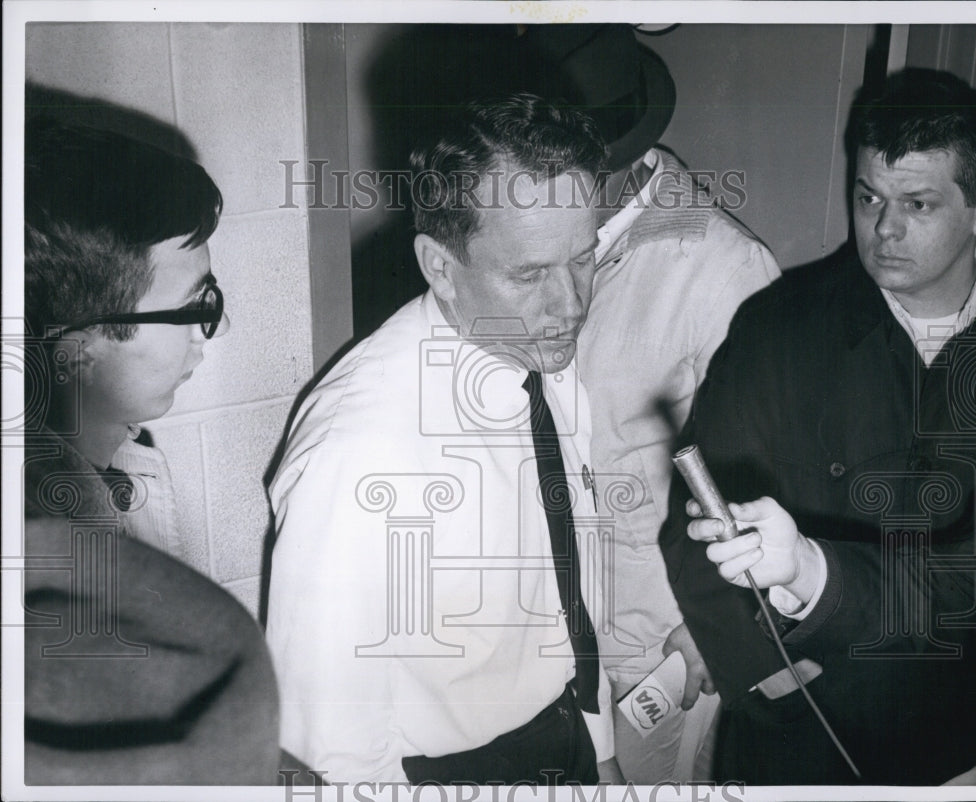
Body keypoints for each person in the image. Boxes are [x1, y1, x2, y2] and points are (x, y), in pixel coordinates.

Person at [266, 94, 623, 784]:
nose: (572, 303)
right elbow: (323, 742)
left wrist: (599, 750)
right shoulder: (361, 447)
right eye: (529, 274)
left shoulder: (535, 353)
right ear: (439, 266)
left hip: (565, 737)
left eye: (583, 259)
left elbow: (565, 587)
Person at [661, 68, 976, 785]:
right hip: (808, 734)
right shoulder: (779, 327)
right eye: (869, 196)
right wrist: (769, 681)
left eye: (918, 203)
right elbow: (698, 521)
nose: (885, 229)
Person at [543, 25, 782, 782]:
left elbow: (780, 466)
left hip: (660, 648)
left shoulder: (721, 268)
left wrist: (719, 629)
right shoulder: (542, 243)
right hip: (546, 630)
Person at [22, 117, 281, 784]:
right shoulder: (48, 575)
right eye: (194, 308)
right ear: (76, 342)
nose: (209, 333)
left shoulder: (124, 464)